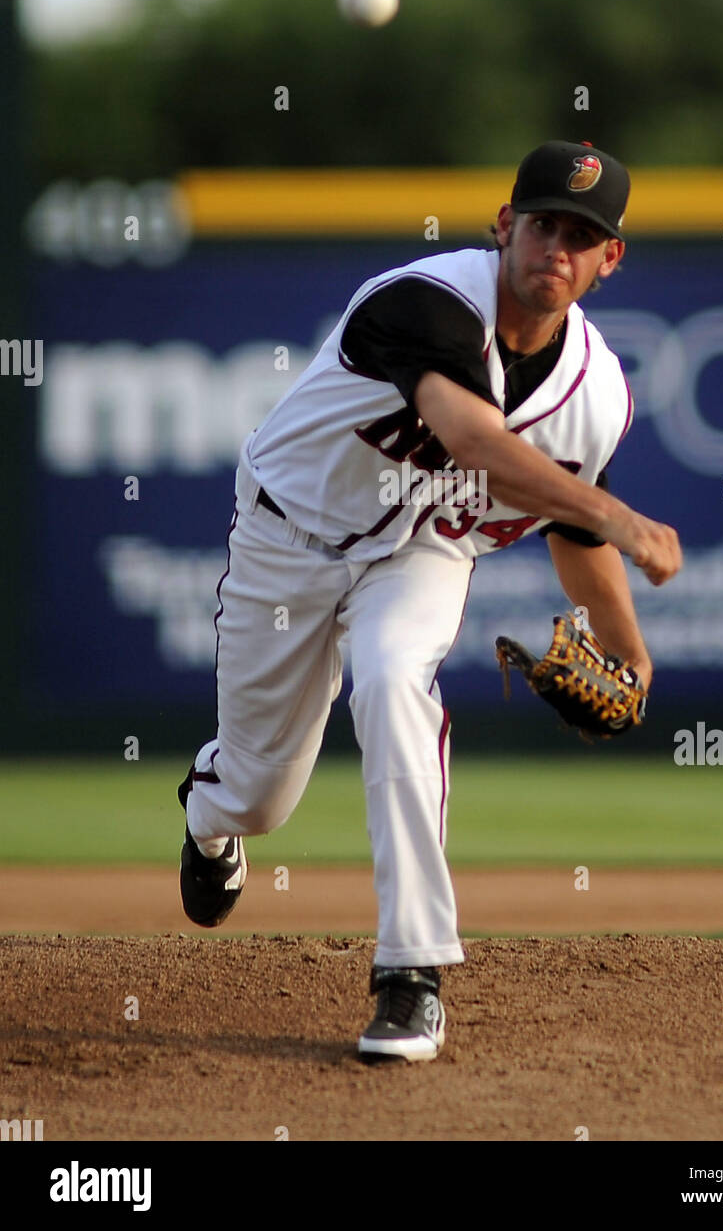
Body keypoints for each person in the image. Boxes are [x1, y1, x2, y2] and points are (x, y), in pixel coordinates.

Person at [177, 140, 682, 1063]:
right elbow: (475, 438)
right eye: (541, 226)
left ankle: (411, 977)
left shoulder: (595, 397)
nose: (554, 250)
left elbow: (570, 539)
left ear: (610, 260)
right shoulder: (424, 301)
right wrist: (622, 517)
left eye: (582, 236)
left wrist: (635, 657)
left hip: (420, 551)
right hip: (287, 538)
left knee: (393, 679)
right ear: (505, 227)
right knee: (258, 795)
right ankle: (211, 824)